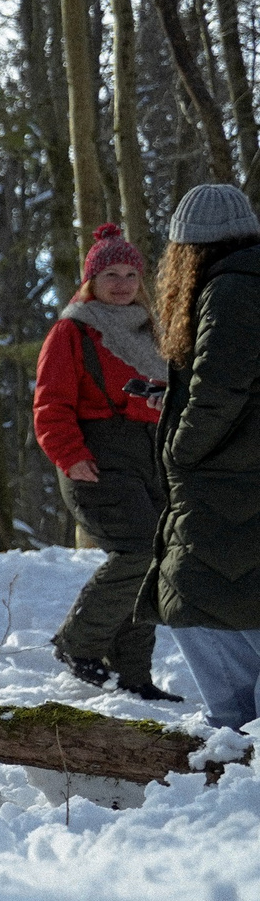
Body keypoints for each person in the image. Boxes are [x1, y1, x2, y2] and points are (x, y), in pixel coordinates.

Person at [33, 223, 180, 702]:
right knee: (139, 552)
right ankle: (78, 643)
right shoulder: (72, 331)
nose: (122, 284)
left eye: (130, 274)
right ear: (91, 281)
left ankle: (132, 674)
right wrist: (70, 456)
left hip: (151, 460)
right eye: (111, 274)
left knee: (157, 558)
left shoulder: (154, 332)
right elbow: (50, 403)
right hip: (95, 460)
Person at [150, 184, 260, 732]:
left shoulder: (231, 287)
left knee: (196, 599)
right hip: (238, 477)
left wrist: (181, 450)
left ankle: (236, 745)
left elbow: (221, 387)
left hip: (227, 483)